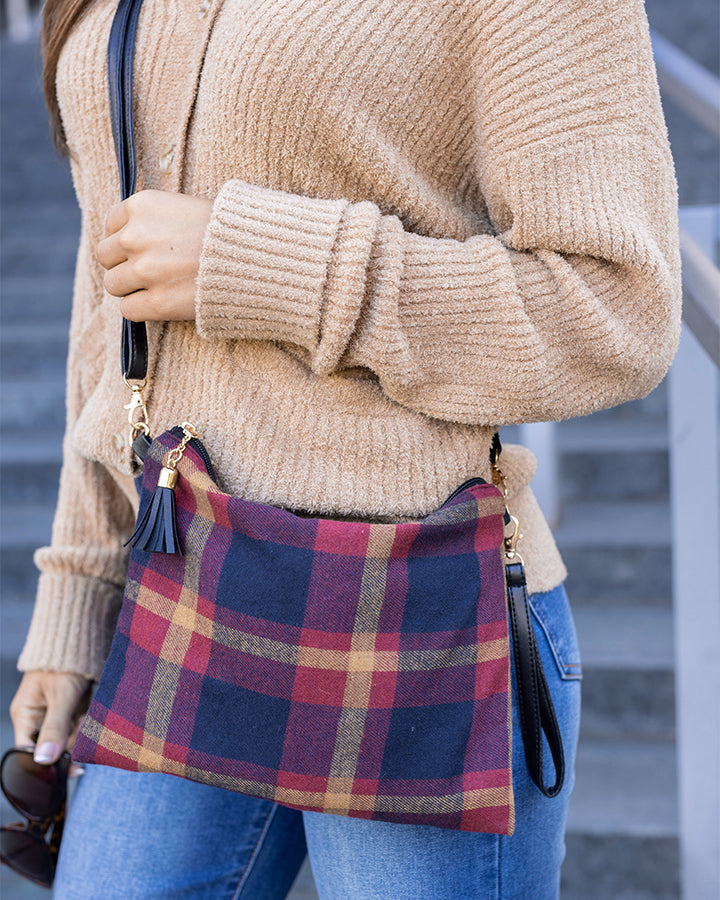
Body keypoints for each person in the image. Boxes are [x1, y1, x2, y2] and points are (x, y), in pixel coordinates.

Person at [9, 0, 680, 897]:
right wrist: (77, 590)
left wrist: (251, 263)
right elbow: (115, 294)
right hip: (184, 591)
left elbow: (616, 310)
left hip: (416, 614)